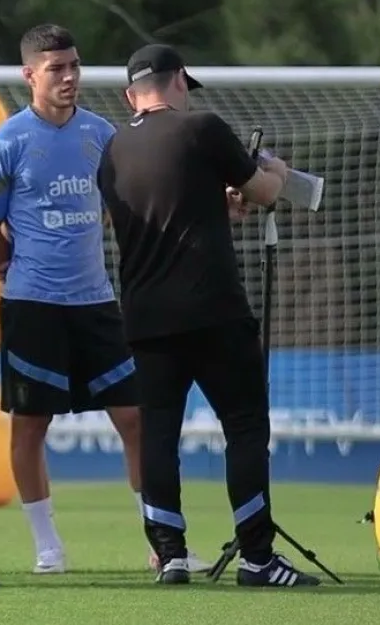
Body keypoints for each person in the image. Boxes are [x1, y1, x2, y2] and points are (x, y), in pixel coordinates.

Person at [0, 24, 210, 575]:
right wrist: (10, 269)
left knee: (135, 418)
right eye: (56, 68)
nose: (70, 77)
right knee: (32, 425)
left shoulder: (104, 135)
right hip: (32, 305)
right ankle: (46, 545)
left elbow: (126, 202)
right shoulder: (5, 143)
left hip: (98, 304)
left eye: (75, 65)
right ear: (30, 75)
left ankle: (161, 543)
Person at [96, 43, 321, 587]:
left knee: (159, 435)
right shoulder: (203, 129)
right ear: (177, 83)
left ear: (131, 94)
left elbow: (152, 211)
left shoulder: (113, 151)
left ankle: (170, 555)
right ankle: (257, 557)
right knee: (244, 428)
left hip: (147, 317)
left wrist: (211, 203)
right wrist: (276, 171)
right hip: (214, 309)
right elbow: (263, 192)